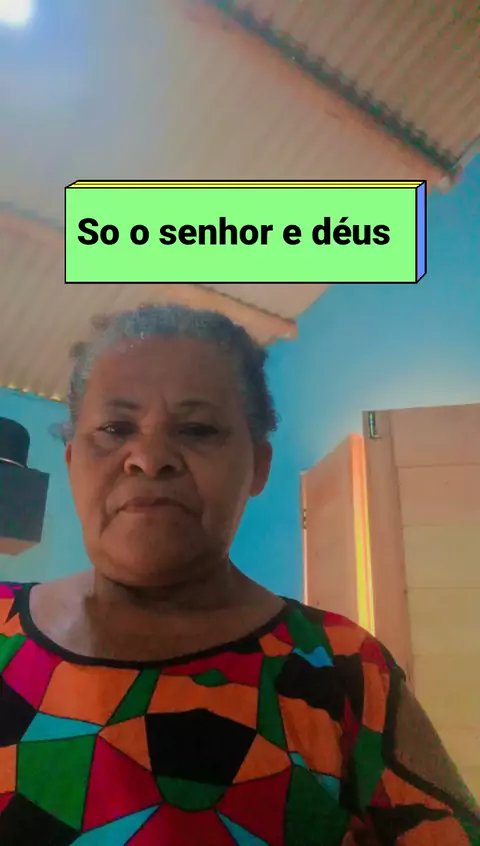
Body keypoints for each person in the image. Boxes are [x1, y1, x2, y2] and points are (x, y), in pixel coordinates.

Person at [0, 304, 478, 846]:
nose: (149, 458)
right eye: (115, 428)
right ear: (71, 463)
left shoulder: (345, 670)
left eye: (198, 428)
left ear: (258, 466)